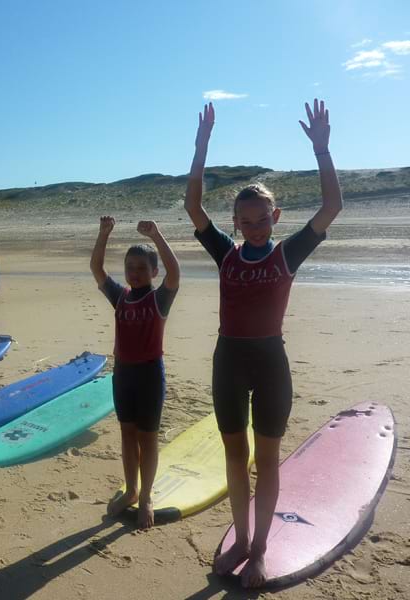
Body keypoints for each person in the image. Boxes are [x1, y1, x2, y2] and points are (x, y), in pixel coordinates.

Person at [184, 100, 342, 588]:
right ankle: (241, 537)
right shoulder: (226, 254)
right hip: (228, 361)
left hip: (270, 363)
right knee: (235, 457)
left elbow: (332, 206)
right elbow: (193, 205)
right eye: (244, 222)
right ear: (235, 222)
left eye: (260, 220)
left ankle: (259, 549)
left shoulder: (288, 254)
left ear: (274, 216)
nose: (252, 228)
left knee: (268, 459)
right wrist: (202, 146)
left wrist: (322, 151)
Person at [91, 217, 180, 529]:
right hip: (123, 375)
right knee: (127, 435)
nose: (136, 272)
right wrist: (103, 234)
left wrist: (157, 235)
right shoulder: (121, 297)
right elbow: (97, 270)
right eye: (131, 267)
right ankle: (130, 490)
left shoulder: (159, 298)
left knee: (148, 438)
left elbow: (175, 273)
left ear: (153, 272)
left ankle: (146, 497)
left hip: (149, 376)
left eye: (143, 267)